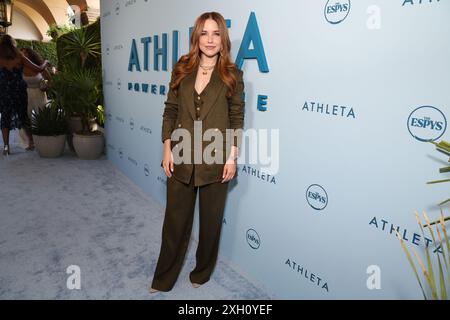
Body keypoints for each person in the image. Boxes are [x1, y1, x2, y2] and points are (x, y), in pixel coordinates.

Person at [150, 12, 245, 293]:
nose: (210, 40)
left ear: (223, 38)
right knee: (175, 223)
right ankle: (163, 278)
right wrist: (167, 148)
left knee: (211, 223)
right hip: (180, 155)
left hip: (217, 157)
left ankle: (201, 273)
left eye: (216, 34)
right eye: (204, 33)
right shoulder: (182, 68)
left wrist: (232, 156)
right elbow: (170, 109)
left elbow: (237, 118)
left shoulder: (232, 74)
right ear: (196, 37)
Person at [0, 35, 48, 155]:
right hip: (19, 91)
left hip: (4, 91)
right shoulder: (19, 57)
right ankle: (31, 142)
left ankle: (6, 147)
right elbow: (38, 69)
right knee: (23, 117)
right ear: (13, 44)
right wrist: (46, 62)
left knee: (5, 118)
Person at [18, 47, 51, 150]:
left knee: (41, 117)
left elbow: (49, 79)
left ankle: (44, 139)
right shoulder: (19, 67)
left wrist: (47, 86)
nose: (21, 55)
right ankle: (30, 141)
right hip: (25, 94)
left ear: (30, 55)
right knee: (24, 119)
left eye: (24, 53)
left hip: (39, 94)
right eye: (21, 53)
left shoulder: (39, 67)